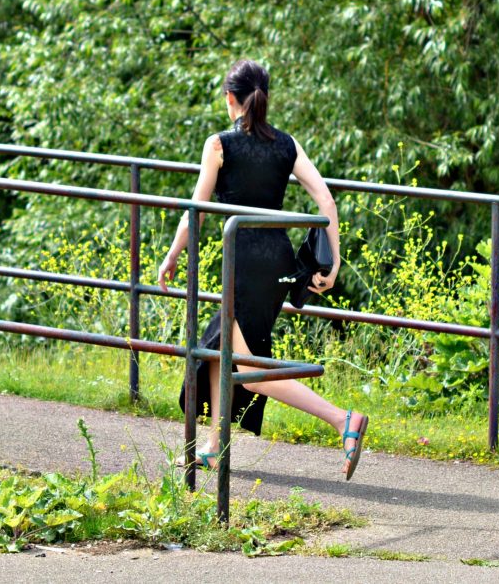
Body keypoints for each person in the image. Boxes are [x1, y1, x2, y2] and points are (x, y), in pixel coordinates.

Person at [157, 59, 369, 481]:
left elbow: (195, 212)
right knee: (220, 348)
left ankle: (342, 419)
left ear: (230, 98)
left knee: (251, 373)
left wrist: (173, 254)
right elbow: (326, 202)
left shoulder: (219, 145)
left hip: (244, 263)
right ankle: (214, 447)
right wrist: (335, 260)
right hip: (277, 259)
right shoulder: (287, 145)